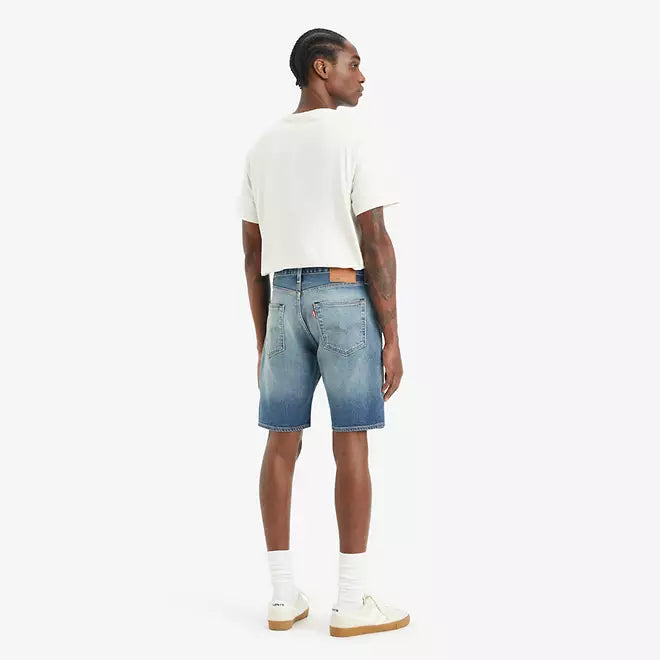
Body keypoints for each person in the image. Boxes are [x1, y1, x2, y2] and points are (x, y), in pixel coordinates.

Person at [238, 28, 409, 637]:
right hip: (342, 295)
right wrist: (392, 335)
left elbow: (252, 251)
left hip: (283, 298)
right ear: (321, 69)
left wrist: (263, 337)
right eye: (353, 64)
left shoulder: (263, 146)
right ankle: (351, 602)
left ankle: (282, 597)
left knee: (280, 442)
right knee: (350, 441)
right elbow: (375, 240)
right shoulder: (352, 135)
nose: (361, 76)